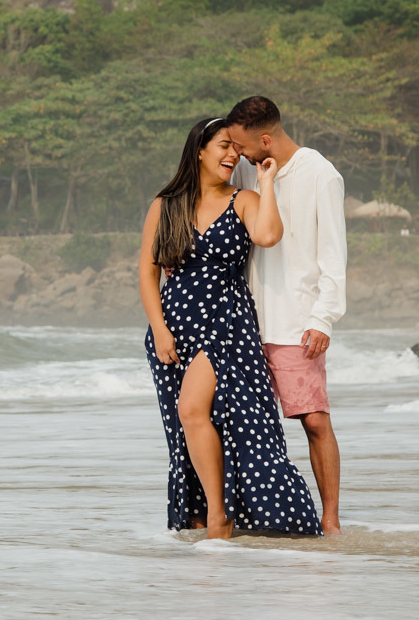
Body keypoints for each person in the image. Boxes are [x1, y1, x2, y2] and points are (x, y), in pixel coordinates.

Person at [138, 116, 322, 540]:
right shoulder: (165, 205)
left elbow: (269, 235)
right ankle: (206, 516)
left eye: (235, 148)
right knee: (187, 430)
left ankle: (219, 517)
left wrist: (268, 183)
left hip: (225, 323)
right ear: (199, 150)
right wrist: (160, 331)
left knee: (195, 411)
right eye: (223, 146)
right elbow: (148, 275)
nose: (232, 155)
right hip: (173, 327)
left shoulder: (245, 199)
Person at [226, 96, 347, 537]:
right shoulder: (243, 171)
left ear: (264, 139)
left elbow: (334, 256)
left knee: (314, 420)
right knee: (246, 427)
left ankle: (330, 519)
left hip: (297, 323)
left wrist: (324, 319)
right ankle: (246, 516)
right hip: (243, 321)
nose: (235, 154)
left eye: (240, 145)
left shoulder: (321, 175)